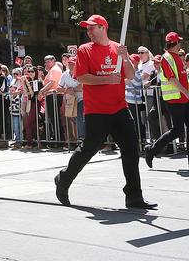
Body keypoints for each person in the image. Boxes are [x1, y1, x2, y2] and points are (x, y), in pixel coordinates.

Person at [54, 15, 156, 211]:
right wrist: (106, 79)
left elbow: (130, 75)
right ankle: (64, 179)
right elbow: (82, 78)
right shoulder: (85, 50)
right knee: (89, 149)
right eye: (88, 29)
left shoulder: (117, 48)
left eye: (92, 28)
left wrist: (125, 57)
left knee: (131, 150)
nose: (88, 31)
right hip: (96, 110)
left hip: (119, 108)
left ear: (103, 27)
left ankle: (134, 196)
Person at [145, 32, 189, 172]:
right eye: (179, 42)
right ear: (175, 43)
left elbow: (183, 78)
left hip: (183, 98)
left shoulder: (177, 58)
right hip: (174, 99)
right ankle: (151, 150)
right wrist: (187, 93)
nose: (181, 43)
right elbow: (172, 79)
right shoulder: (167, 58)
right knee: (177, 130)